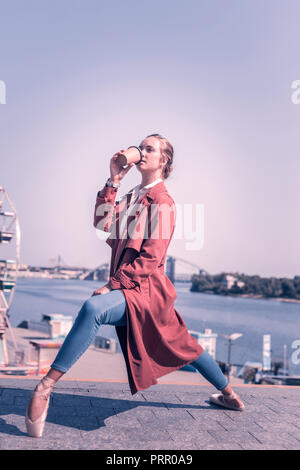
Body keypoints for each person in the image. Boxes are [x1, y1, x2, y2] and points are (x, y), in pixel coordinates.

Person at [25, 133, 245, 438]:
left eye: (149, 148)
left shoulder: (163, 202)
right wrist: (113, 179)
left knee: (94, 307)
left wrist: (113, 285)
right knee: (186, 345)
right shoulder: (131, 197)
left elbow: (152, 257)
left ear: (163, 160)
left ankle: (45, 387)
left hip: (146, 292)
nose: (142, 151)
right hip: (135, 289)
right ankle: (230, 395)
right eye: (140, 147)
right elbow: (102, 225)